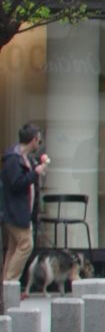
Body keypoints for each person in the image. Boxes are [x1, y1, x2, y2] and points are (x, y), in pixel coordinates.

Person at [3, 123, 48, 290]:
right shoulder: (13, 159)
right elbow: (16, 183)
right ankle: (10, 282)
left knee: (14, 248)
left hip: (23, 211)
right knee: (26, 244)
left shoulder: (26, 159)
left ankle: (5, 285)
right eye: (39, 140)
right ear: (33, 140)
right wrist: (35, 173)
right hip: (16, 211)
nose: (39, 144)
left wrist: (37, 171)